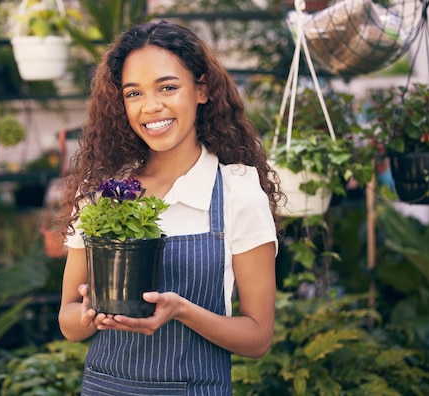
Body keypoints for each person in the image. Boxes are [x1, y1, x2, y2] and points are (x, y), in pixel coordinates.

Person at [57, 20, 282, 395]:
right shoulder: (101, 193)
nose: (151, 106)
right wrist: (94, 312)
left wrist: (181, 311)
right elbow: (68, 322)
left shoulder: (236, 191)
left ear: (202, 90)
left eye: (168, 87)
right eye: (134, 93)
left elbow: (258, 337)